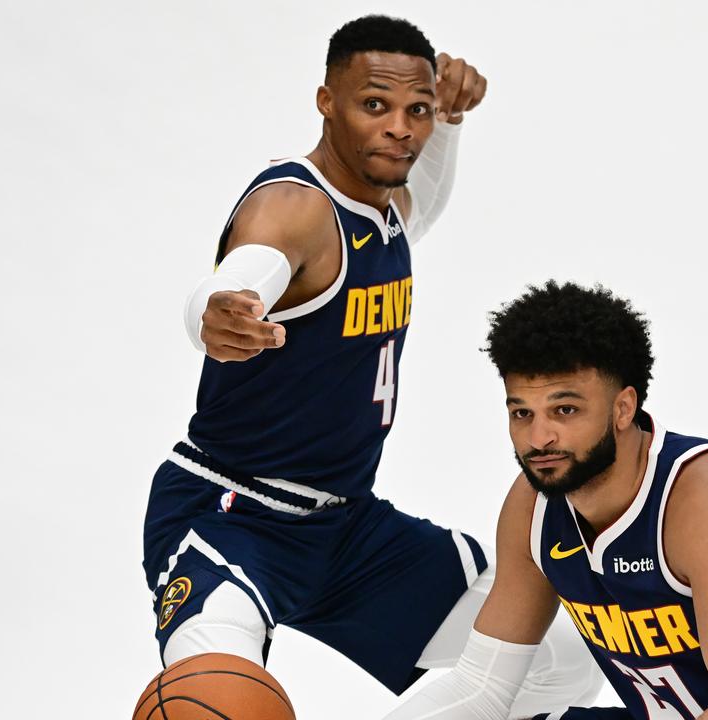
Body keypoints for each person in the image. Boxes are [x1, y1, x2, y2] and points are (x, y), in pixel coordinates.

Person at [141, 16, 600, 717]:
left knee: (560, 655)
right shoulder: (294, 206)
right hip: (232, 514)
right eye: (375, 104)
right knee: (216, 700)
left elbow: (423, 205)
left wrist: (449, 121)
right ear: (327, 102)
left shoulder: (381, 214)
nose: (401, 128)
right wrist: (218, 310)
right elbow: (247, 270)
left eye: (415, 110)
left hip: (348, 529)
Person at [385, 281, 708, 720]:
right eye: (521, 412)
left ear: (623, 407)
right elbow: (481, 687)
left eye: (564, 410)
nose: (538, 438)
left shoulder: (707, 498)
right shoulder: (534, 506)